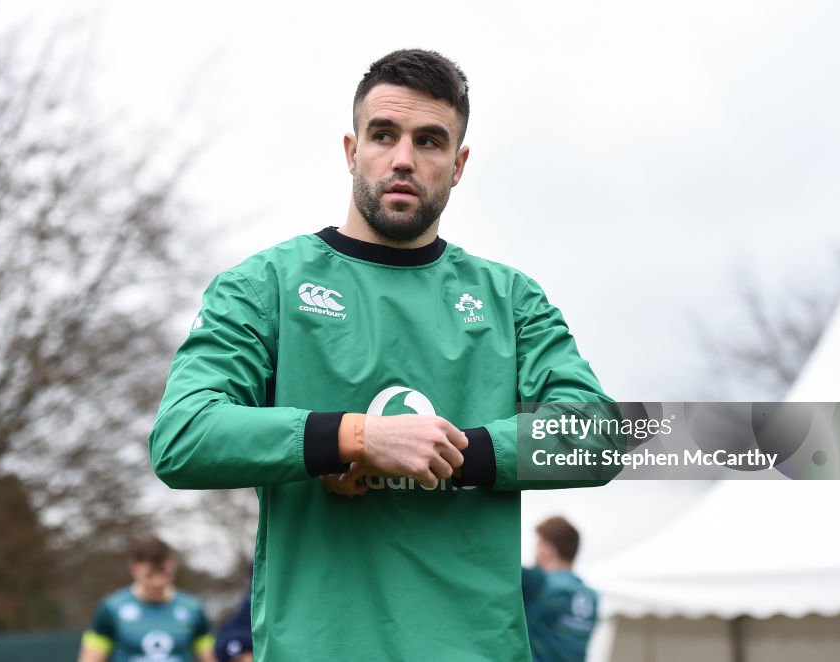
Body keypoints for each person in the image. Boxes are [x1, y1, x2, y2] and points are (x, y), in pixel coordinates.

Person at [149, 49, 623, 660]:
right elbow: (183, 435)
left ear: (459, 164)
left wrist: (456, 452)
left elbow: (600, 435)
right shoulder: (264, 284)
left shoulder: (510, 299)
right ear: (352, 151)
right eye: (383, 135)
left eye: (430, 141)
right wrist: (350, 438)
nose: (404, 159)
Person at [78, 536, 215, 662]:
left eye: (165, 574)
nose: (158, 582)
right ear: (134, 568)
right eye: (150, 575)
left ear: (173, 566)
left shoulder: (193, 608)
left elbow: (209, 657)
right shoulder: (111, 608)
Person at [523, 517, 600, 662]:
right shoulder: (592, 597)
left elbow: (500, 568)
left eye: (538, 544)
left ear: (547, 549)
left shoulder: (538, 582)